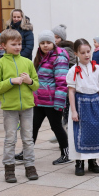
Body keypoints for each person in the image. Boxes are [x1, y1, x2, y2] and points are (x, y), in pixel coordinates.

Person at [14, 30, 70, 165]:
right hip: (39, 100)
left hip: (52, 101)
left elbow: (62, 82)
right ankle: (26, 152)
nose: (45, 45)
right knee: (32, 126)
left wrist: (59, 102)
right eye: (43, 43)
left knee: (56, 127)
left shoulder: (59, 57)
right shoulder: (40, 56)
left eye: (48, 42)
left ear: (53, 43)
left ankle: (66, 154)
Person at [0, 29, 39, 183]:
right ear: (3, 45)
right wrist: (11, 81)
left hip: (27, 107)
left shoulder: (27, 62)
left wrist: (29, 82)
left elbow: (36, 85)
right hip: (9, 108)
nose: (18, 47)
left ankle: (30, 166)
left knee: (28, 138)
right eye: (14, 44)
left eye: (19, 44)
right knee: (10, 138)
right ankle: (9, 169)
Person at [67, 39, 99, 176]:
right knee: (79, 134)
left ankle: (93, 161)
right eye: (82, 52)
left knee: (95, 133)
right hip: (80, 103)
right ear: (76, 54)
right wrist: (74, 111)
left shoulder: (97, 69)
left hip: (95, 103)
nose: (86, 55)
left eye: (88, 51)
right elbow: (71, 91)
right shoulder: (73, 70)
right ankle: (79, 162)